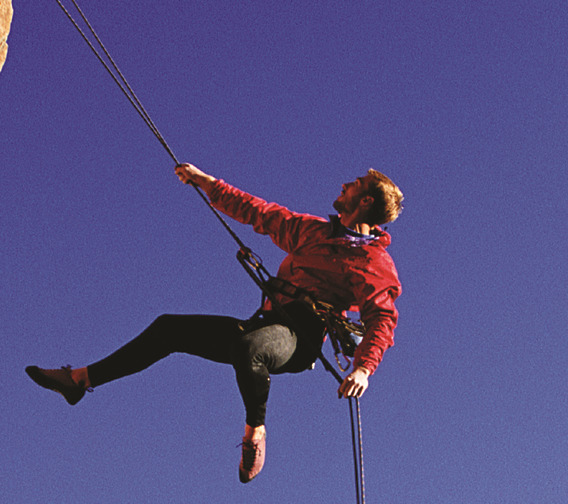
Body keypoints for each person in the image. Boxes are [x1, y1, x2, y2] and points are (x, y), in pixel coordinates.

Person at [26, 163, 403, 483]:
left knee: (249, 349)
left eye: (355, 185)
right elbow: (260, 212)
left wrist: (363, 369)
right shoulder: (314, 231)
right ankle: (79, 380)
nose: (345, 185)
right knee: (169, 328)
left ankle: (255, 433)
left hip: (300, 337)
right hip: (268, 322)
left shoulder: (372, 261)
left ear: (365, 201)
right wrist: (206, 183)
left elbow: (381, 317)